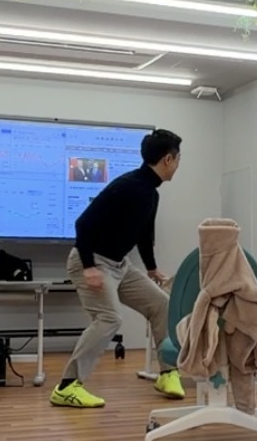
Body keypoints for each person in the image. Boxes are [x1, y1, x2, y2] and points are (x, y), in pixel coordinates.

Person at [50, 128, 186, 410]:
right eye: (178, 158)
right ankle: (67, 386)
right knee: (108, 318)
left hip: (119, 265)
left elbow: (144, 234)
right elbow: (83, 224)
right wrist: (89, 267)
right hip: (92, 261)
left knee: (161, 305)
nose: (178, 164)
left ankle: (168, 373)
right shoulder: (127, 186)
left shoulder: (151, 193)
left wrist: (151, 269)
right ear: (168, 159)